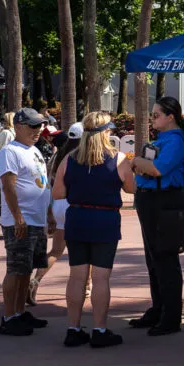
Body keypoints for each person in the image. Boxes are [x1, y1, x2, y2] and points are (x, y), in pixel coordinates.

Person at [52, 112, 136, 348]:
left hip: (77, 217)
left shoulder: (70, 158)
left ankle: (73, 328)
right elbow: (131, 188)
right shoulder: (118, 159)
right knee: (101, 277)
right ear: (106, 132)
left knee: (77, 276)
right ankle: (99, 330)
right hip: (105, 219)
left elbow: (57, 192)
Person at [129, 96, 184, 336]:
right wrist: (141, 165)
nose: (153, 118)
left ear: (170, 117)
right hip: (151, 200)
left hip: (165, 201)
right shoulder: (161, 139)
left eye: (156, 114)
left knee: (165, 259)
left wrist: (136, 161)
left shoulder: (175, 142)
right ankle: (159, 308)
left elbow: (156, 169)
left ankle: (171, 316)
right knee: (154, 259)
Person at [0, 108, 54, 336]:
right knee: (16, 269)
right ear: (18, 127)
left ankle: (19, 313)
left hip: (36, 220)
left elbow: (42, 183)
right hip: (20, 221)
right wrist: (18, 216)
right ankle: (9, 316)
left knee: (27, 269)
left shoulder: (34, 150)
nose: (38, 131)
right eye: (33, 126)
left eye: (39, 126)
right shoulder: (10, 152)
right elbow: (8, 186)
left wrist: (48, 214)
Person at [27, 123, 83, 306]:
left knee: (56, 251)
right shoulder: (80, 157)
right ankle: (87, 286)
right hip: (74, 206)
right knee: (86, 251)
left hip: (57, 206)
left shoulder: (57, 157)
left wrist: (50, 212)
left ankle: (35, 280)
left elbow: (50, 185)